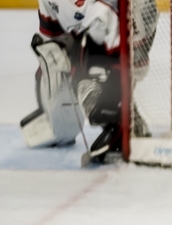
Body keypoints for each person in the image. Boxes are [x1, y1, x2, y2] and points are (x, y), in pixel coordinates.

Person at [20, 0, 156, 163]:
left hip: (134, 17)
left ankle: (127, 127)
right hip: (103, 25)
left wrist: (110, 100)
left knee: (93, 84)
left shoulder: (98, 8)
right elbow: (52, 36)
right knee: (61, 70)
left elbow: (117, 56)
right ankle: (121, 119)